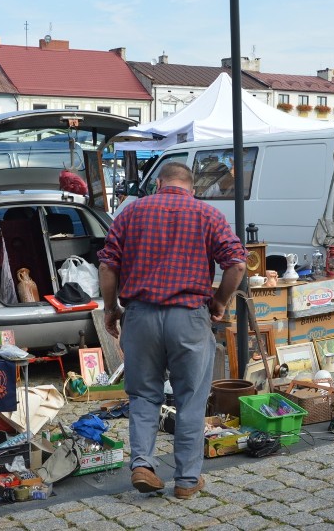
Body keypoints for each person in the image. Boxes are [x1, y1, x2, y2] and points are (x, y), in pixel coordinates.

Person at [97, 162, 246, 500]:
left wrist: (110, 310)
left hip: (140, 316)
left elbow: (107, 266)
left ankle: (143, 465)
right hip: (189, 318)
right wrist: (219, 301)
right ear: (191, 187)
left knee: (144, 396)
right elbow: (237, 264)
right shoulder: (207, 214)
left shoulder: (131, 212)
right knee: (191, 400)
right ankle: (187, 481)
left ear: (160, 183)